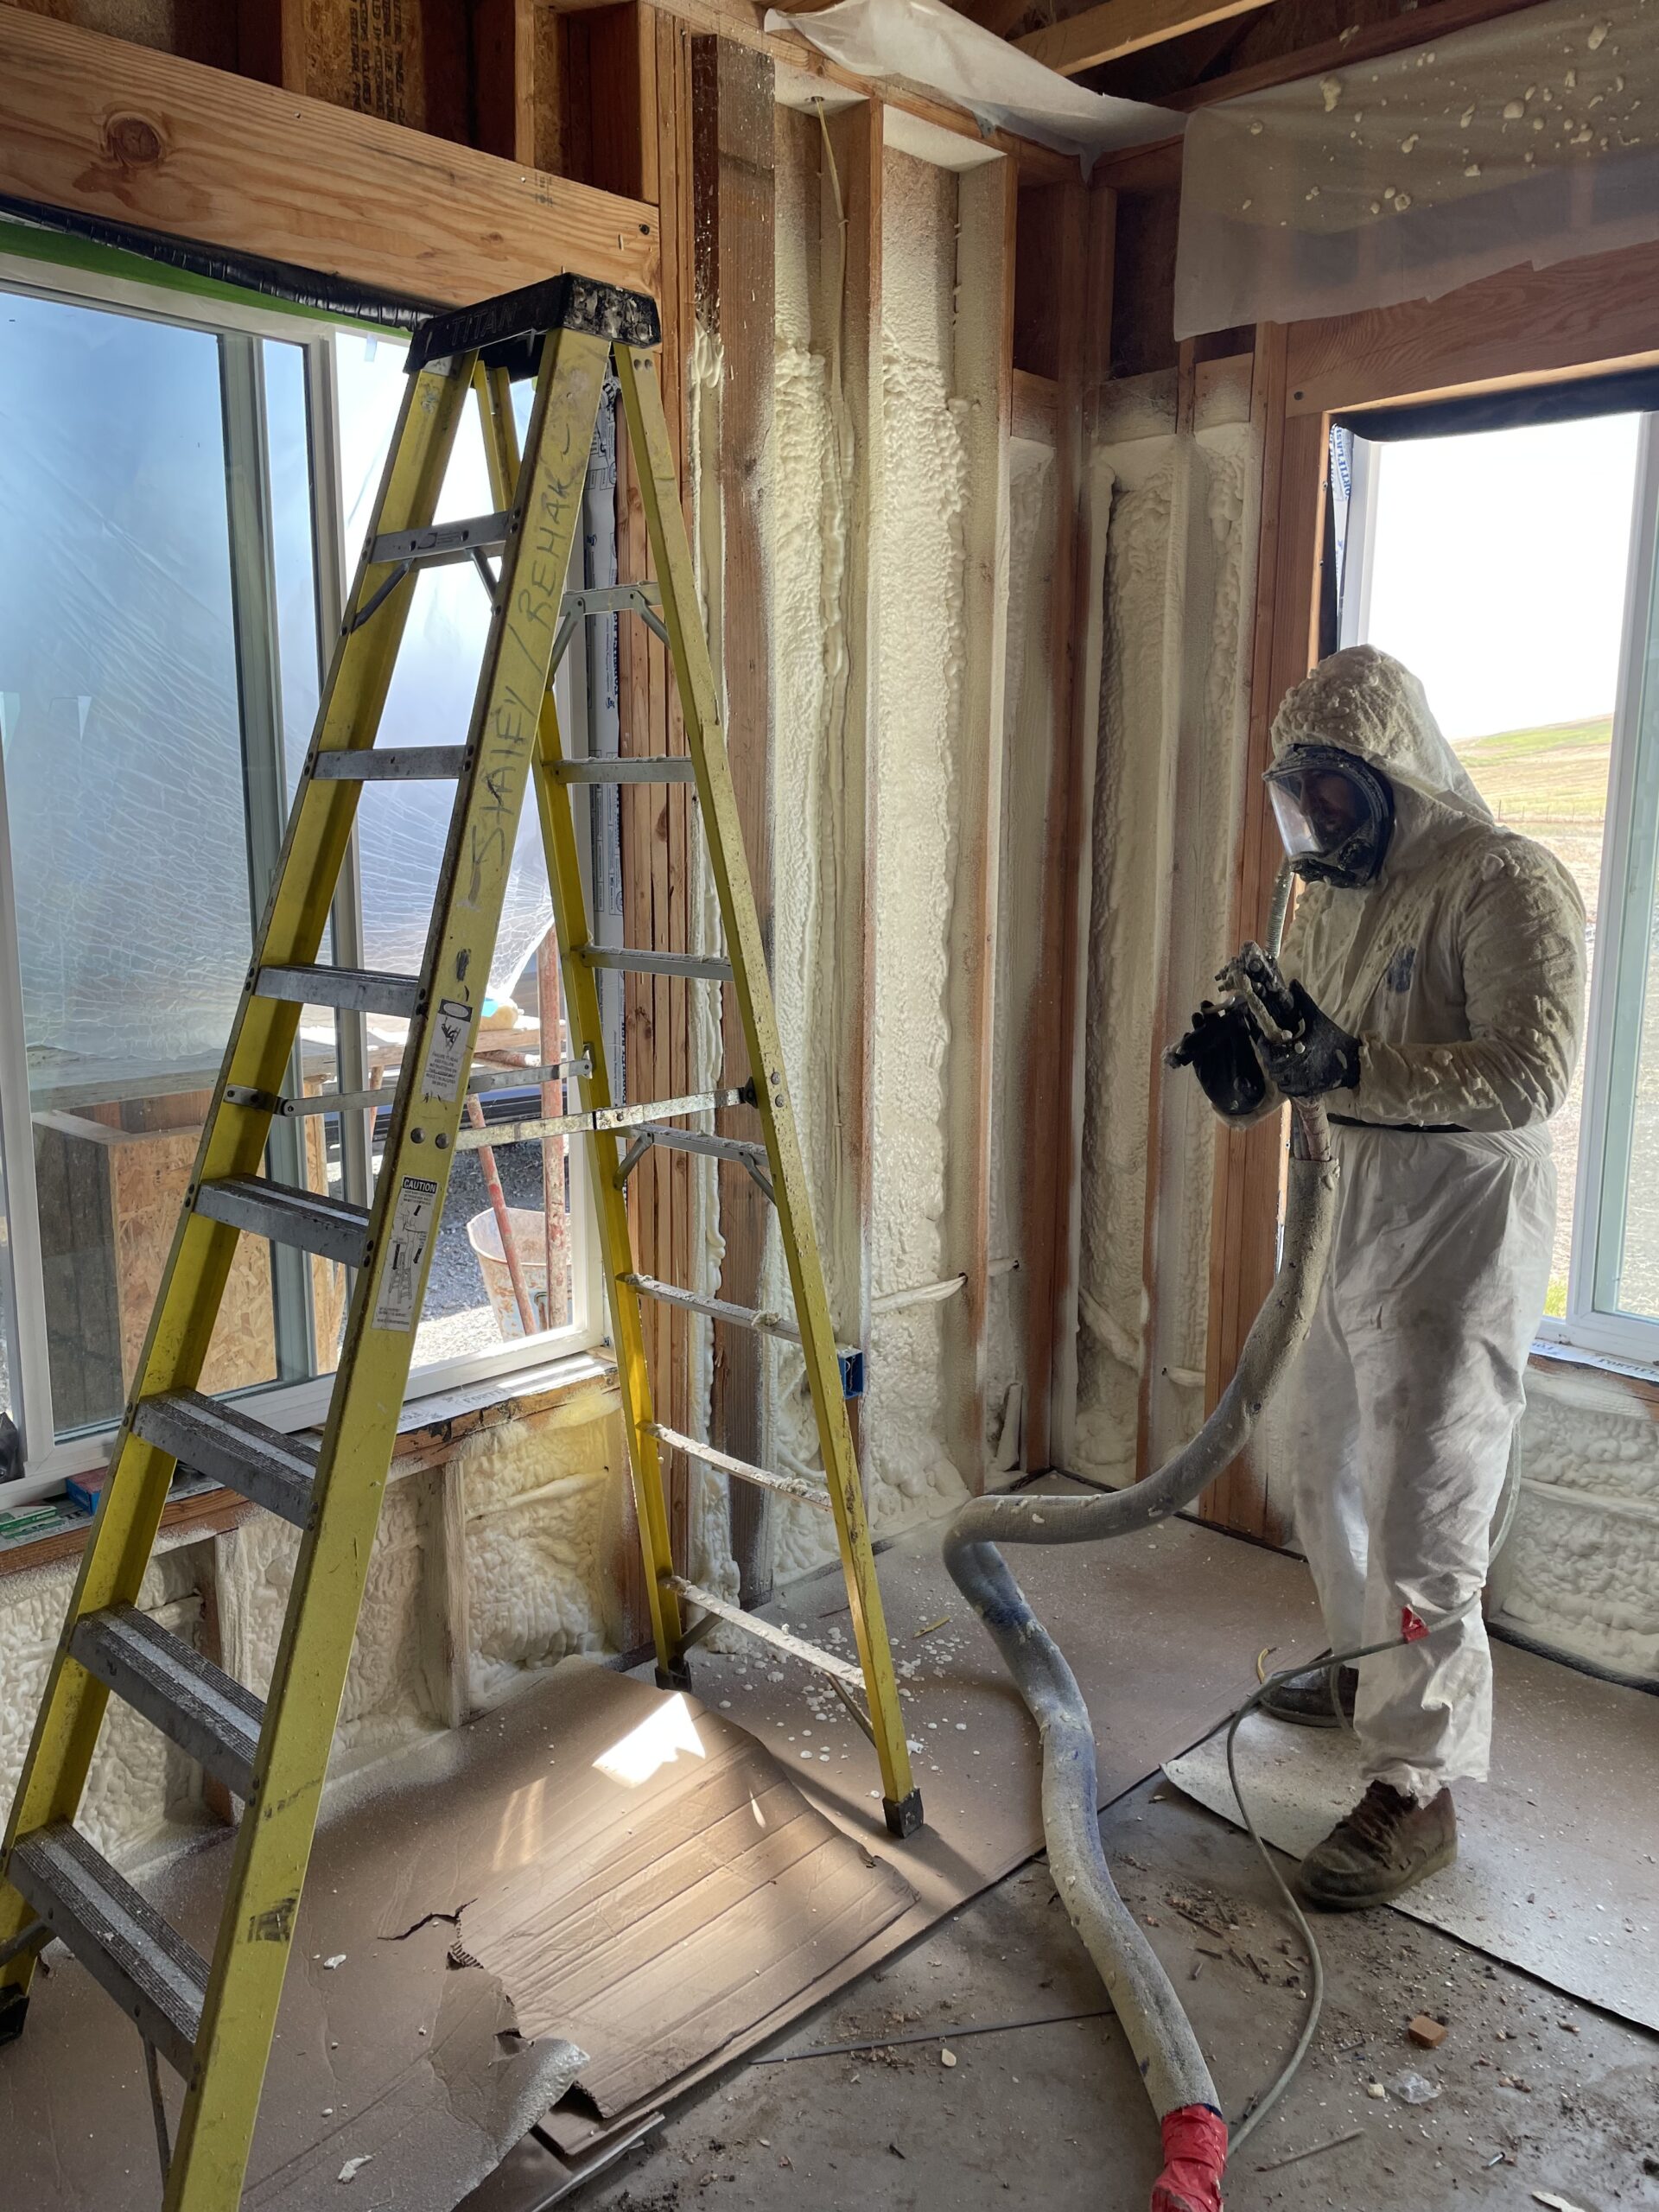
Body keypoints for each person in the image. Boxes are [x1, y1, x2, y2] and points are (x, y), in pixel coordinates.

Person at [1189, 645, 1586, 1908]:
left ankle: (1417, 1790)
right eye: (1299, 799)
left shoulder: (1504, 880)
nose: (1317, 824)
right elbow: (1317, 1053)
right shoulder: (1330, 900)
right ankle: (1365, 1665)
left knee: (1427, 1508)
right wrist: (1255, 1075)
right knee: (1316, 1456)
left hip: (1459, 1230)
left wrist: (1350, 1066)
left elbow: (1531, 1072)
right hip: (1347, 1213)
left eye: (1337, 796)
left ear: (1396, 776)